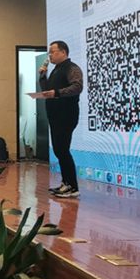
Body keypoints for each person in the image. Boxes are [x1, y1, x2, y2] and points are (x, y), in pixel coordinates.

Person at [39, 40, 84, 199]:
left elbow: (77, 87)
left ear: (63, 52)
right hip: (55, 115)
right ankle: (66, 183)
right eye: (49, 52)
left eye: (53, 52)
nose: (50, 55)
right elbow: (47, 91)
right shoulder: (55, 70)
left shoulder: (72, 68)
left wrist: (57, 93)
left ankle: (72, 187)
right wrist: (42, 76)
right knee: (58, 150)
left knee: (63, 150)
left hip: (66, 115)